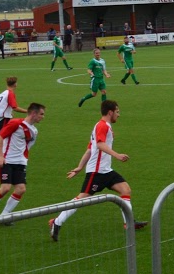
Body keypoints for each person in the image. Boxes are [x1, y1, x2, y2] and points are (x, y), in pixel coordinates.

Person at [52, 99, 145, 238]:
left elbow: (90, 149)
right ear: (110, 112)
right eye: (117, 112)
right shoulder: (103, 126)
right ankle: (57, 222)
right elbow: (100, 145)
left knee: (125, 190)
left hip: (106, 170)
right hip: (97, 172)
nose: (119, 115)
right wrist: (117, 155)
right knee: (82, 198)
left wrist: (79, 166)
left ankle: (128, 223)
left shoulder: (101, 126)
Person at [0, 103, 46, 220]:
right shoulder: (16, 124)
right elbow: (0, 138)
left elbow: (28, 146)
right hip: (7, 161)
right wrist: (0, 157)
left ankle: (4, 215)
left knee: (21, 189)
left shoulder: (34, 131)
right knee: (5, 188)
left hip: (20, 163)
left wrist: (23, 158)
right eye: (41, 114)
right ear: (33, 113)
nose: (43, 117)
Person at [0, 76, 20, 170]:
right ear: (15, 84)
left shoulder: (2, 94)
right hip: (4, 119)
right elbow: (15, 107)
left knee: (1, 138)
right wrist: (29, 111)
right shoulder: (10, 94)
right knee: (1, 139)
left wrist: (7, 110)